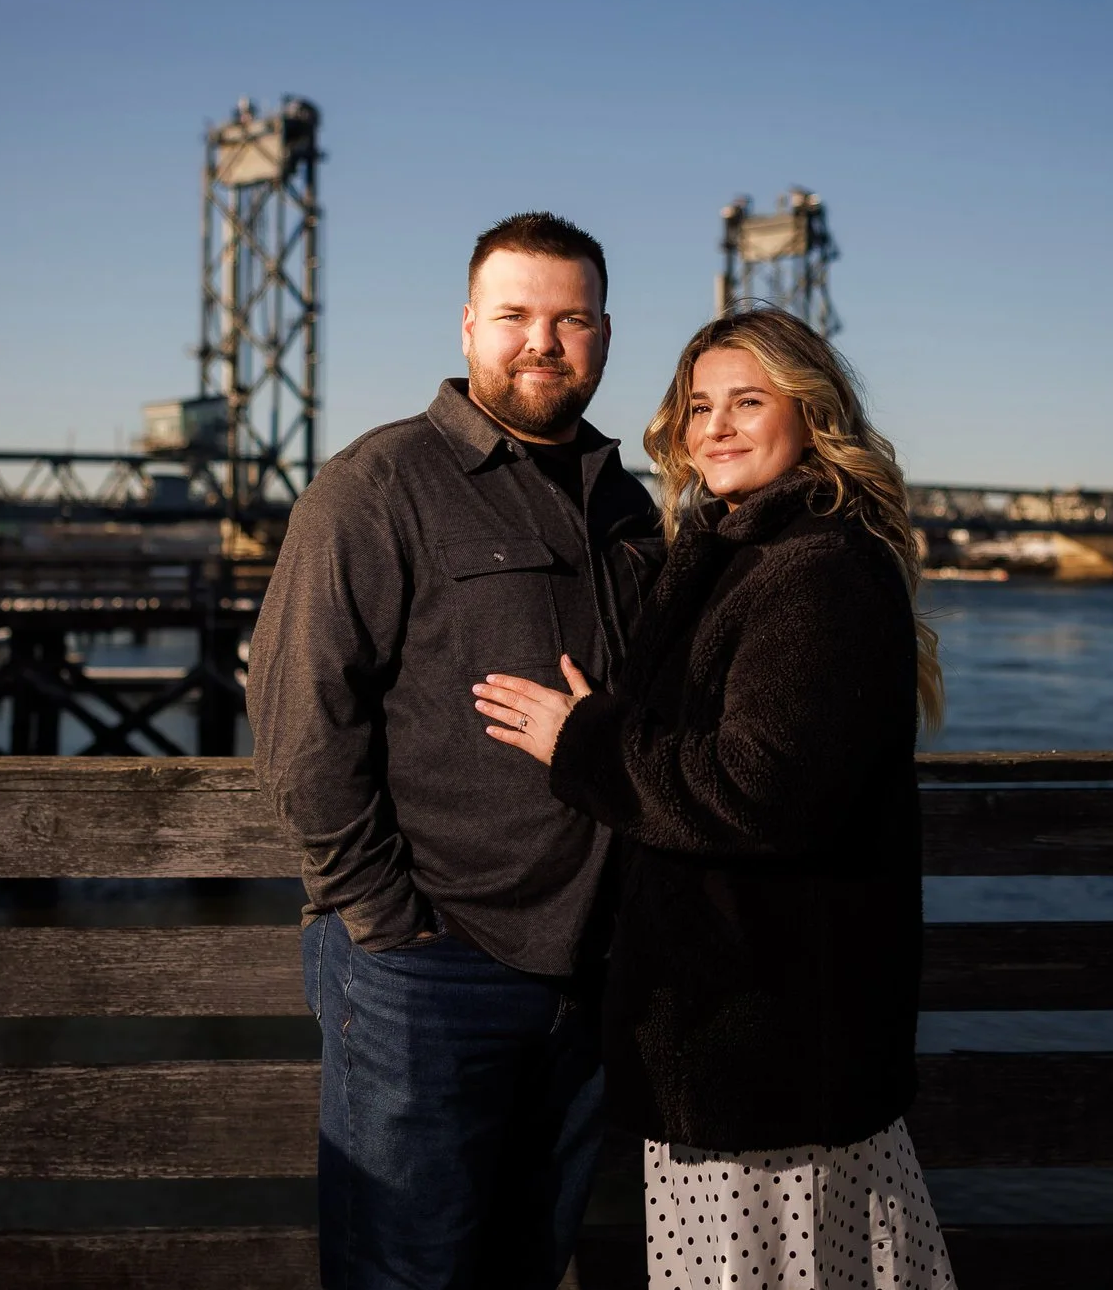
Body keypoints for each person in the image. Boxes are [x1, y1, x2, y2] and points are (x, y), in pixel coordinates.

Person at [474, 305, 957, 1290]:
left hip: (763, 1038)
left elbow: (755, 792)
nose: (717, 427)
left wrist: (586, 744)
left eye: (748, 401)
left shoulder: (813, 568)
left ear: (812, 415)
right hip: (747, 1027)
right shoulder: (748, 550)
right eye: (699, 407)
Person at [250, 212, 663, 1290]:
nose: (544, 341)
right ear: (469, 326)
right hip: (433, 967)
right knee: (407, 1273)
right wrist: (384, 922)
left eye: (570, 319)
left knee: (527, 1266)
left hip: (586, 972)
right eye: (517, 315)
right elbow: (299, 720)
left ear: (605, 334)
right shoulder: (376, 486)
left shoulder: (627, 506)